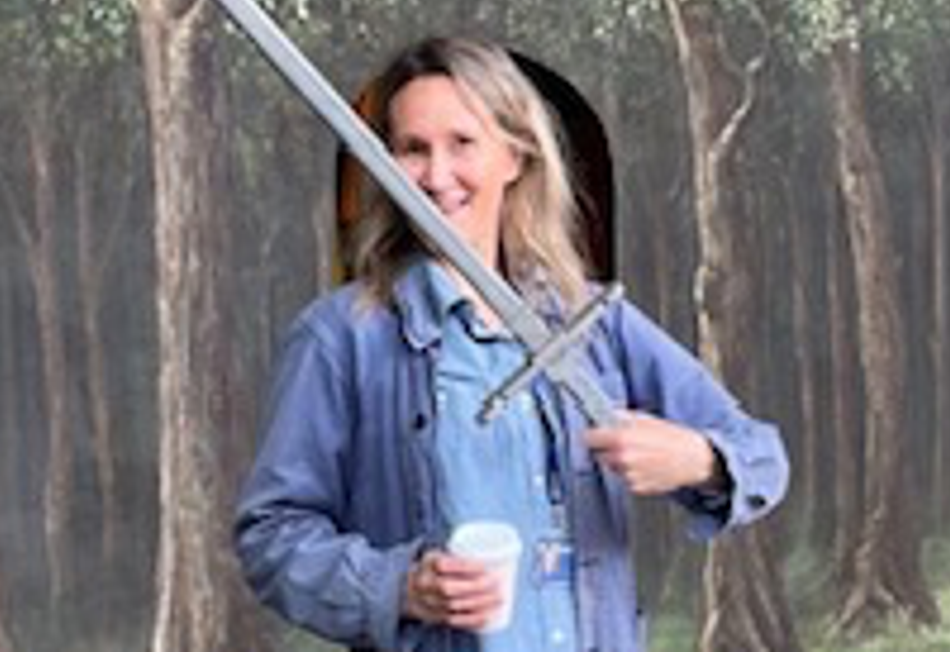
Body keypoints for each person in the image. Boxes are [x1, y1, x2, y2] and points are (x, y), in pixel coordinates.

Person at [234, 36, 789, 651]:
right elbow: (271, 536)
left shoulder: (593, 323)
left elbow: (762, 457)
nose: (436, 175)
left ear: (515, 155)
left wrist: (701, 460)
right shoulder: (341, 338)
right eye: (412, 149)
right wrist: (401, 587)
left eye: (462, 143)